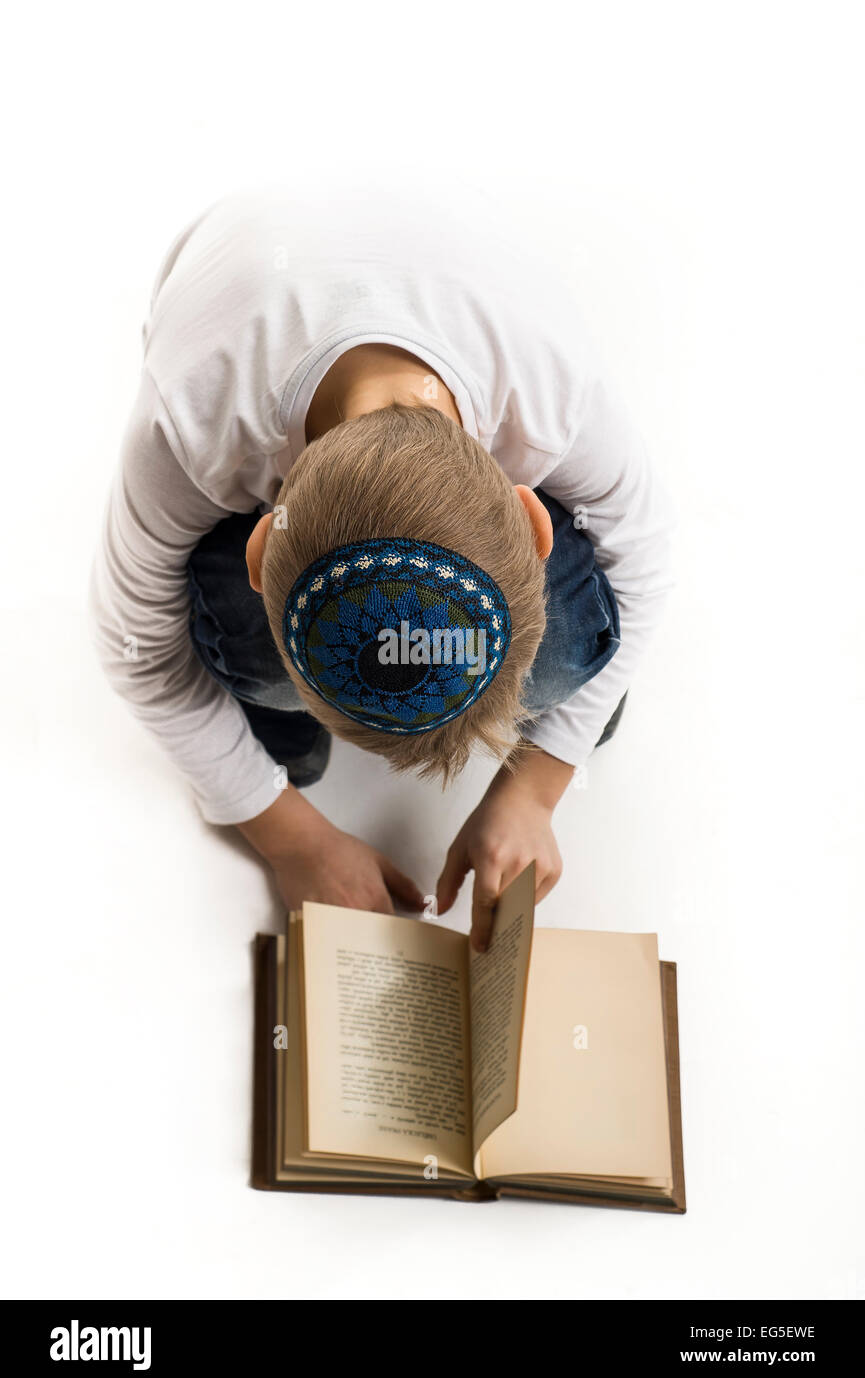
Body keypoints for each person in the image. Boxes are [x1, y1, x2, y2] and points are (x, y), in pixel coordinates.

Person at [91, 190, 673, 949]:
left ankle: (555, 693)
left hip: (463, 271)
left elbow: (648, 563)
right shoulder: (191, 424)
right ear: (258, 549)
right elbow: (137, 651)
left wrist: (537, 784)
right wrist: (288, 835)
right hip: (248, 277)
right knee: (258, 663)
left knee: (560, 655)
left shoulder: (549, 391)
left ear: (534, 516)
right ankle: (282, 720)